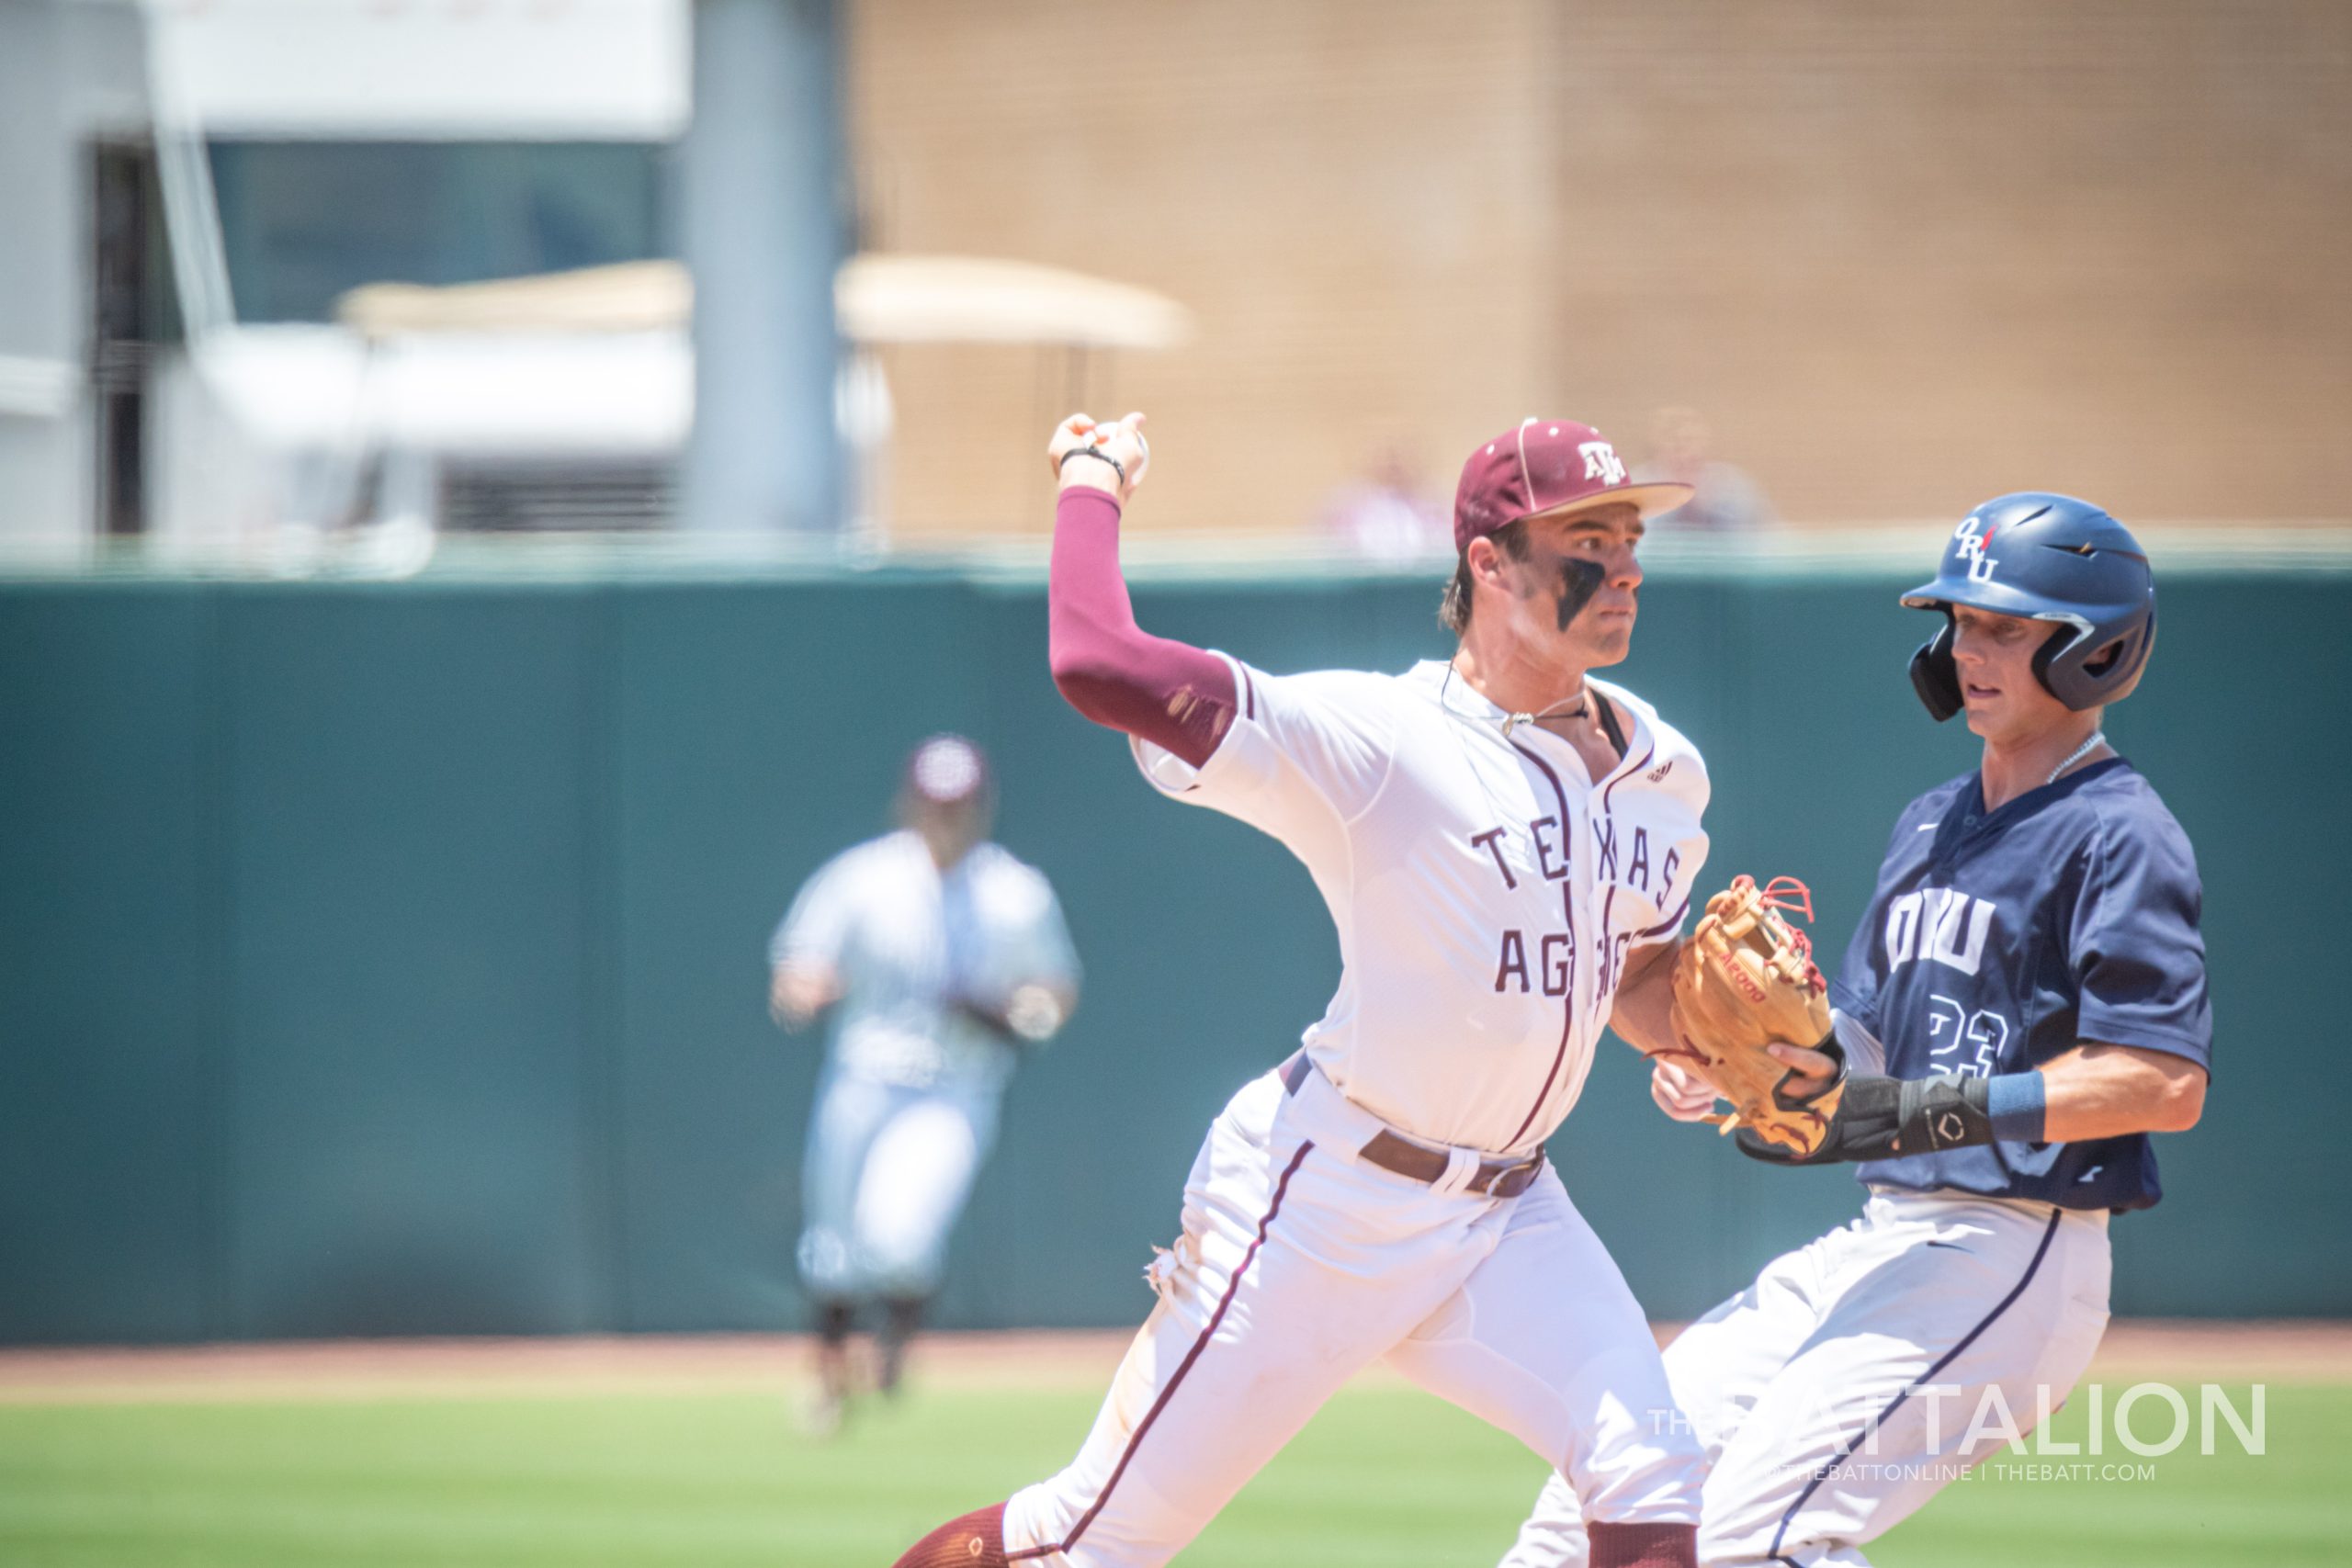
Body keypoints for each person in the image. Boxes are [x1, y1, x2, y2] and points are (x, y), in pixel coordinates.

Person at [889, 412, 1716, 1568]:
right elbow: (1096, 661)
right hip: (1320, 1206)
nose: (1625, 565)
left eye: (1630, 536)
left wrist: (1700, 1043)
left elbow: (1630, 972)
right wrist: (1090, 483)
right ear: (1487, 563)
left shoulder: (1663, 770)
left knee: (1652, 1470)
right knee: (1084, 1541)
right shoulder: (1378, 738)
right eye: (1587, 539)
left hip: (1506, 1215)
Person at [1499, 493, 2209, 1567]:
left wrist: (1925, 1112)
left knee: (1751, 1540)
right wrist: (1744, 1071)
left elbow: (2159, 1081)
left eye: (2005, 630)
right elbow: (1867, 1058)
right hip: (1883, 1235)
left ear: (2092, 652)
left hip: (2012, 1247)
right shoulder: (1929, 822)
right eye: (1960, 622)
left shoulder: (2120, 833)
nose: (1969, 650)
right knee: (1606, 1500)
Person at [769, 734, 1080, 1434]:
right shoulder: (864, 878)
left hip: (956, 1084)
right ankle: (825, 1380)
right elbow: (797, 962)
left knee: (901, 1234)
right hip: (864, 1076)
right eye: (937, 804)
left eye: (961, 805)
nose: (948, 819)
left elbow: (1054, 993)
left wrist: (1014, 1012)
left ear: (982, 807)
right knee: (833, 1240)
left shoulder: (1014, 891)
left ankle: (896, 1339)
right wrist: (804, 986)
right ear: (910, 802)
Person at [1634, 407, 1774, 533]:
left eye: (1689, 441)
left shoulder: (1734, 485)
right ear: (1656, 451)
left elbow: (1766, 538)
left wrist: (1706, 506)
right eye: (1675, 445)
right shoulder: (1637, 488)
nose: (1684, 454)